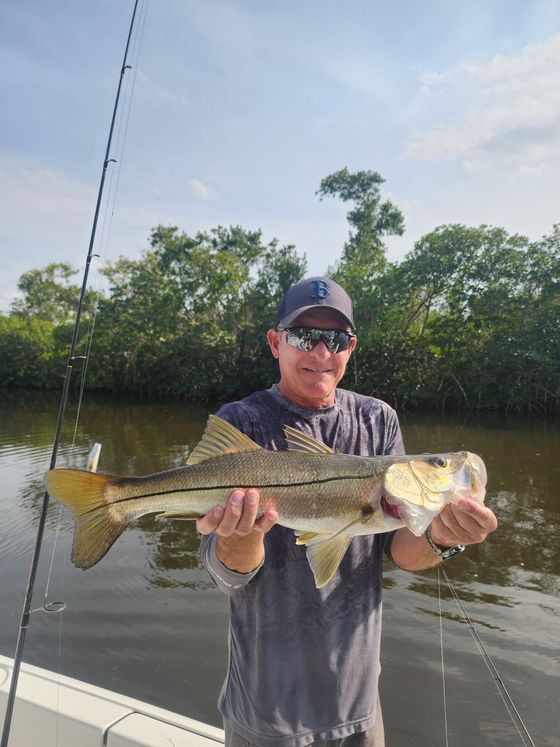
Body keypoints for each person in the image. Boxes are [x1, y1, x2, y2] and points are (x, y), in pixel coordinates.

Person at [198, 276, 498, 747]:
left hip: (358, 702)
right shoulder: (244, 422)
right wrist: (241, 536)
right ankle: (117, 502)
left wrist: (442, 536)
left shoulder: (377, 420)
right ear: (277, 343)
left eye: (335, 339)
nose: (321, 352)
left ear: (350, 348)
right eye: (304, 336)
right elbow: (225, 575)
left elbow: (401, 552)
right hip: (265, 706)